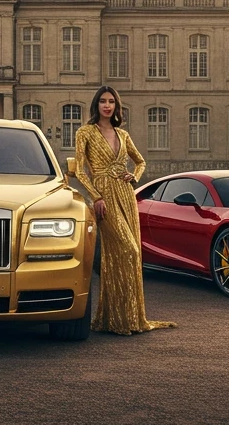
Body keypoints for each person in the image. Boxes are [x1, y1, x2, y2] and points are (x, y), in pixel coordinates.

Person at [74, 85, 176, 335]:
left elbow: (141, 161)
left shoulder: (123, 134)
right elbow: (79, 170)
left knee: (129, 256)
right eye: (102, 102)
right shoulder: (85, 132)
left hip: (125, 195)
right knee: (126, 250)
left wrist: (134, 177)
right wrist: (96, 196)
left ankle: (126, 318)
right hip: (105, 197)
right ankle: (118, 317)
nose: (107, 105)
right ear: (96, 105)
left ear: (116, 107)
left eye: (111, 102)